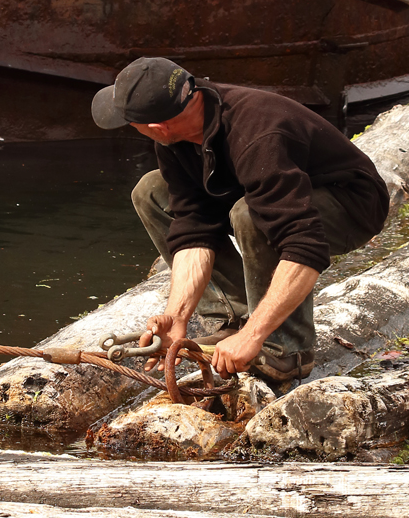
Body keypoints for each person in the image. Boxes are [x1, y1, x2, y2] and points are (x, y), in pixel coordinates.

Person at [91, 56, 389, 386]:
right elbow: (194, 227)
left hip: (351, 203)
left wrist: (255, 334)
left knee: (249, 215)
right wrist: (176, 317)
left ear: (157, 128)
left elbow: (304, 246)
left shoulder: (256, 133)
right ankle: (230, 318)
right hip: (264, 190)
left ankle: (286, 350)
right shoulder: (176, 136)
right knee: (150, 191)